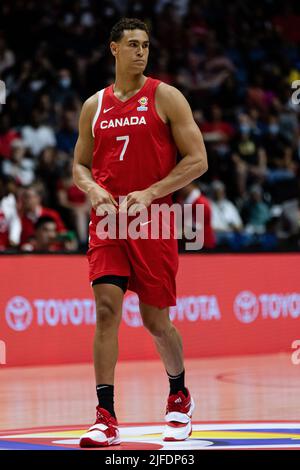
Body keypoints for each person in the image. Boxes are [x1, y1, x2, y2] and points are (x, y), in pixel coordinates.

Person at [73, 18, 207, 447]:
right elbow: (78, 165)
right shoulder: (94, 106)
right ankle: (105, 416)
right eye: (132, 44)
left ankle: (179, 394)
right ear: (113, 49)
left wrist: (151, 192)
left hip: (155, 220)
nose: (141, 52)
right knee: (107, 311)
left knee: (155, 321)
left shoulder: (166, 97)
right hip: (109, 220)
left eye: (146, 45)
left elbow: (197, 159)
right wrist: (92, 188)